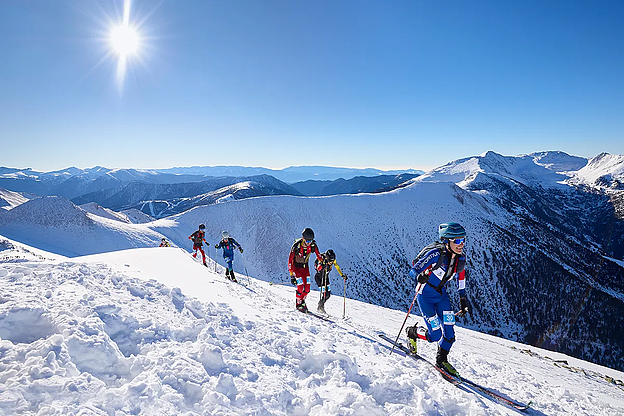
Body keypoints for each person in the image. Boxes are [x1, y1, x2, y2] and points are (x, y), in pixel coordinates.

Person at [405, 222, 472, 378]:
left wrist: (462, 298)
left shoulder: (460, 259)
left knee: (450, 333)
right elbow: (412, 270)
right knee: (435, 334)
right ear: (447, 240)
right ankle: (412, 332)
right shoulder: (436, 254)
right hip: (425, 296)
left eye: (462, 240)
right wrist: (418, 276)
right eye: (456, 241)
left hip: (441, 296)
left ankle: (441, 360)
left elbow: (460, 278)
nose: (460, 244)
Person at [288, 227, 322, 313]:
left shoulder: (313, 245)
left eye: (310, 241)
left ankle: (302, 302)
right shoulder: (296, 246)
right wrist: (292, 275)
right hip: (296, 268)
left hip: (305, 268)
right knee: (300, 287)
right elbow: (290, 261)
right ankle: (298, 303)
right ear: (303, 239)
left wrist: (322, 261)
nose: (309, 243)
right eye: (307, 241)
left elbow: (319, 255)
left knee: (307, 289)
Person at [314, 249, 347, 314]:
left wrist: (342, 275)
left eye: (332, 261)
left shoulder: (332, 260)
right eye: (330, 261)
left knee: (328, 294)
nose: (331, 263)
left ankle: (321, 306)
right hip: (319, 278)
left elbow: (337, 266)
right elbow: (317, 268)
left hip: (326, 277)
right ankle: (320, 307)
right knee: (324, 294)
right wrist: (322, 266)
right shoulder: (321, 259)